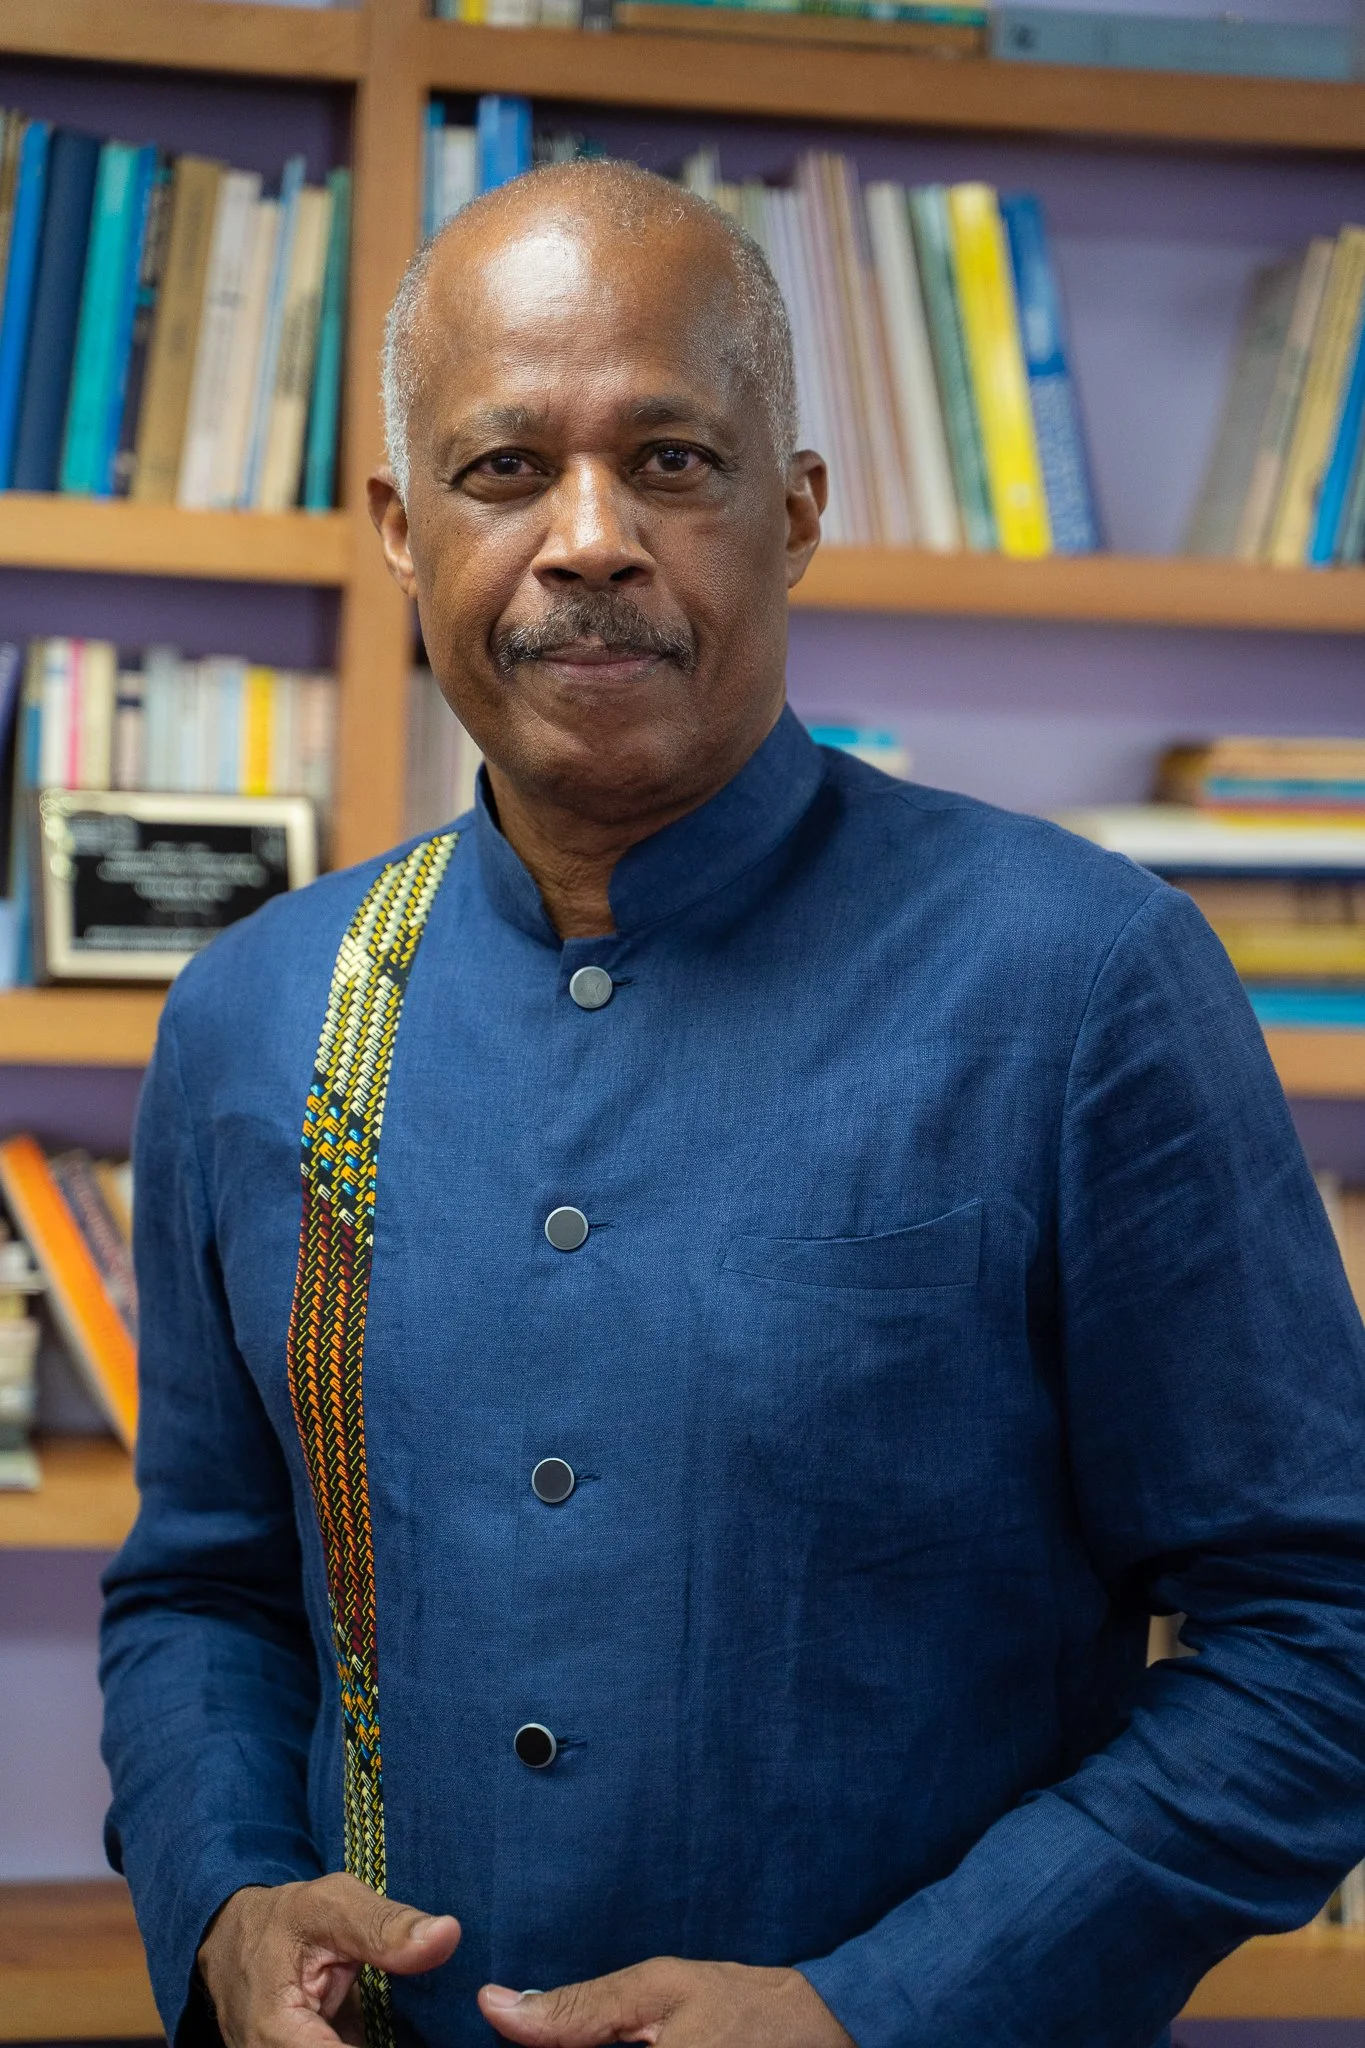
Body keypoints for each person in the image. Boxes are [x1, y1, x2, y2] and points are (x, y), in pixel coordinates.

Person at [101, 159, 1365, 2048]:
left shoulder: (1084, 981)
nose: (588, 538)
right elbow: (207, 1592)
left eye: (671, 460)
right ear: (399, 529)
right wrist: (225, 1898)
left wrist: (881, 2011)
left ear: (796, 512)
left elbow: (1322, 1635)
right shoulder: (256, 1018)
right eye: (504, 468)